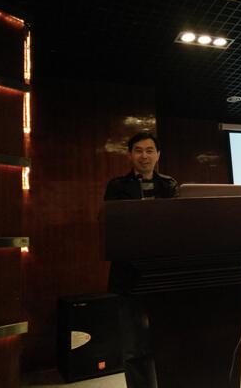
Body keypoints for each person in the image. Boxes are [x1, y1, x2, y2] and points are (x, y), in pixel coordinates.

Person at [104, 131, 178, 388]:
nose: (144, 156)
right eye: (138, 150)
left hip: (164, 276)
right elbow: (114, 227)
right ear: (130, 155)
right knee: (134, 348)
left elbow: (179, 226)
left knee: (166, 342)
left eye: (149, 150)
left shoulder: (169, 185)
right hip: (130, 276)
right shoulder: (117, 187)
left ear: (158, 155)